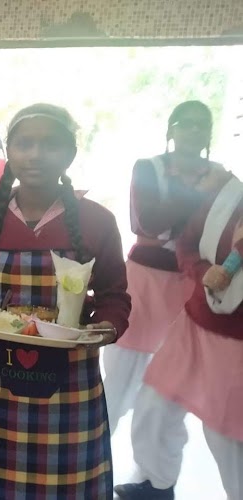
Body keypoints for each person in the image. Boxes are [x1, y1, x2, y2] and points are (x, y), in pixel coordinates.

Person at [0, 103, 131, 498]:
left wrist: (108, 323)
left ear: (70, 154)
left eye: (50, 145)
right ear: (9, 150)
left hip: (70, 385)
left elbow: (114, 295)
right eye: (25, 143)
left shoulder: (97, 221)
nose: (36, 154)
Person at [115, 172, 242, 500]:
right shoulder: (226, 194)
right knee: (155, 404)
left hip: (238, 341)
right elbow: (187, 244)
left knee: (226, 434)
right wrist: (203, 272)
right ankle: (157, 485)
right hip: (195, 321)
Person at [103, 101, 226, 433]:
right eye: (186, 123)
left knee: (170, 389)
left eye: (202, 124)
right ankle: (92, 455)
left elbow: (225, 231)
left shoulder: (222, 176)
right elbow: (146, 222)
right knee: (118, 379)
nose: (194, 130)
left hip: (191, 286)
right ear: (171, 129)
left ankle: (154, 464)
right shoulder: (149, 168)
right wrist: (199, 192)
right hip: (145, 284)